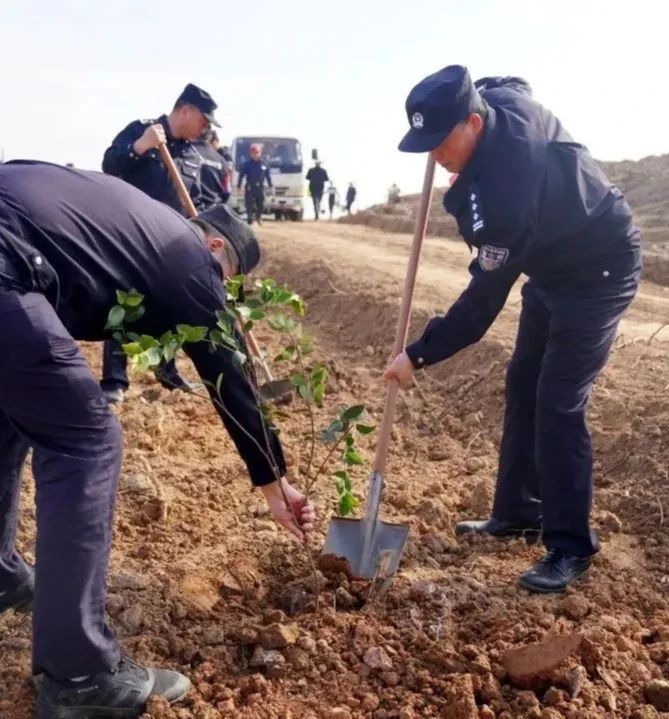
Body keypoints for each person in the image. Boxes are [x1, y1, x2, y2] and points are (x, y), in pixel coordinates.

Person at [0, 160, 316, 718]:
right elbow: (226, 372)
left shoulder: (133, 222)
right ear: (215, 244)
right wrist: (274, 480)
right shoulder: (190, 256)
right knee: (86, 439)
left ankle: (0, 577)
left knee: (13, 413)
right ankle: (78, 675)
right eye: (228, 275)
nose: (221, 290)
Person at [384, 65, 641, 593]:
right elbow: (513, 82)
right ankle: (519, 511)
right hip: (551, 264)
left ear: (474, 123)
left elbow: (482, 303)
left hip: (599, 269)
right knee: (523, 380)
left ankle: (569, 546)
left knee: (558, 401)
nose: (434, 154)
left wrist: (419, 354)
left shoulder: (507, 193)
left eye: (440, 142)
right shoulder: (494, 102)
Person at [101, 83, 221, 402]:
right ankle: (115, 381)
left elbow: (199, 200)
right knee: (124, 305)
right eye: (204, 121)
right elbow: (110, 165)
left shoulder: (194, 154)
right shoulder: (141, 131)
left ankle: (166, 371)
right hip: (132, 235)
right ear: (186, 110)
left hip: (171, 242)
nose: (205, 129)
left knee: (170, 306)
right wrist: (141, 146)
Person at [237, 143, 273, 225]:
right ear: (251, 154)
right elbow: (241, 175)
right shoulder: (247, 164)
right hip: (250, 187)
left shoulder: (264, 164)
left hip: (260, 187)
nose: (255, 155)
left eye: (257, 153)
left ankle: (258, 217)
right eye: (254, 153)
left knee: (262, 204)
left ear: (260, 153)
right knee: (249, 204)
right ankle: (250, 219)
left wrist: (271, 186)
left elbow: (268, 175)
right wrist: (239, 185)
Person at [194, 128, 231, 207]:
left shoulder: (187, 153)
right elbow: (227, 190)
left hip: (191, 209)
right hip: (214, 209)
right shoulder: (221, 160)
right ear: (210, 138)